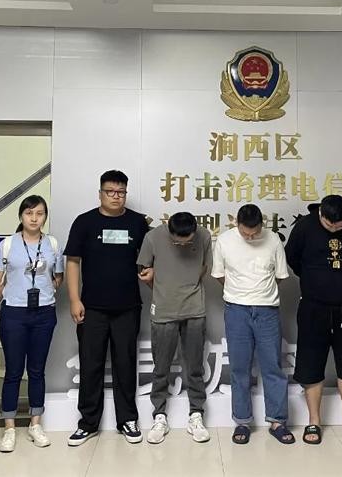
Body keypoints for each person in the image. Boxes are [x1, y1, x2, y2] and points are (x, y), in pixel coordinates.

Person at [64, 170, 149, 446]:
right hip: (92, 308)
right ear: (100, 193)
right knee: (91, 365)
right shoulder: (85, 222)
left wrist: (150, 272)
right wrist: (74, 299)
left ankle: (128, 420)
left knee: (125, 364)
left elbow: (148, 259)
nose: (116, 196)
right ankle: (88, 423)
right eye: (110, 191)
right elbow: (73, 261)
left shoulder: (137, 223)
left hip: (128, 307)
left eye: (121, 192)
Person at [285, 194, 342, 445]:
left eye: (339, 225)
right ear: (320, 214)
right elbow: (292, 259)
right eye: (329, 224)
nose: (334, 228)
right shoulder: (304, 226)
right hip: (313, 307)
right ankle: (314, 420)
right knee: (311, 363)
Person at [211, 204, 294, 445]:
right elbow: (219, 274)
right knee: (240, 368)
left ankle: (277, 421)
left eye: (254, 233)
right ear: (236, 223)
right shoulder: (224, 241)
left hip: (267, 311)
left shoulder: (273, 240)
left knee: (272, 367)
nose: (250, 237)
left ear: (262, 224)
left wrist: (260, 294)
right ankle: (242, 421)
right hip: (236, 310)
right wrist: (239, 292)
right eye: (245, 233)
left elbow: (280, 276)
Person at [0, 195, 63, 452]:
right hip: (14, 314)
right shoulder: (8, 245)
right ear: (21, 216)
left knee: (37, 370)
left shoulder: (52, 243)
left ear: (45, 217)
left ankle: (35, 424)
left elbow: (58, 276)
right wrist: (8, 298)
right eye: (29, 213)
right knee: (13, 371)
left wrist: (46, 292)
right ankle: (9, 427)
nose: (34, 218)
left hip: (44, 313)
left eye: (39, 214)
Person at [137, 212, 212, 444]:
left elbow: (204, 267)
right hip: (163, 311)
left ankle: (196, 414)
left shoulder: (204, 236)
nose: (183, 245)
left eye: (187, 241)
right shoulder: (153, 237)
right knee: (161, 367)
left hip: (194, 310)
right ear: (169, 231)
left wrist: (187, 284)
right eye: (178, 242)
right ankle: (159, 415)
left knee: (195, 367)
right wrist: (162, 287)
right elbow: (144, 271)